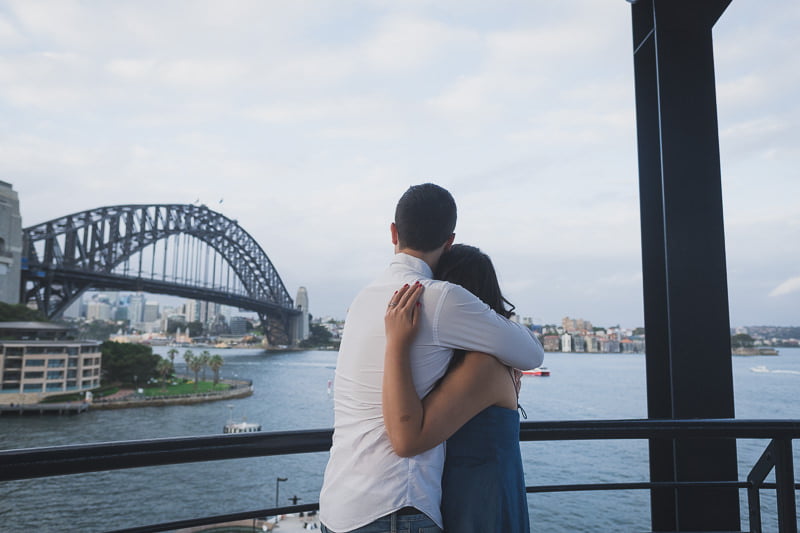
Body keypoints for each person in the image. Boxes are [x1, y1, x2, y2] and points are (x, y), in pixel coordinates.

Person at [319, 184, 543, 533]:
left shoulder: (361, 300)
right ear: (449, 240)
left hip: (337, 506)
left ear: (393, 232)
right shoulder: (440, 299)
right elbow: (531, 354)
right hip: (394, 506)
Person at [383, 244, 532, 532]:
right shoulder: (474, 361)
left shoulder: (483, 365)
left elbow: (408, 440)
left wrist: (396, 343)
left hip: (479, 504)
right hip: (471, 495)